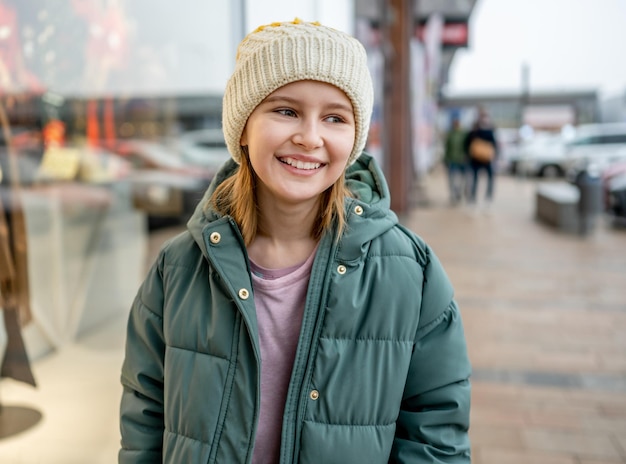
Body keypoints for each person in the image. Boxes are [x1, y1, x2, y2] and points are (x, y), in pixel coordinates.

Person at [119, 18, 471, 463]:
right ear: (243, 128)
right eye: (285, 111)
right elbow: (145, 412)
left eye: (335, 118)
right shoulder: (179, 267)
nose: (309, 137)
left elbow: (436, 431)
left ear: (355, 137)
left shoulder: (410, 271)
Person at [464, 107, 498, 212]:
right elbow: (467, 143)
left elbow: (494, 145)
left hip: (486, 159)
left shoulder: (489, 130)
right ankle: (473, 200)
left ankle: (488, 200)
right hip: (475, 160)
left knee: (490, 179)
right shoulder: (474, 130)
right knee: (474, 180)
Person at [443, 115, 468, 205]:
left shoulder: (464, 134)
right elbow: (447, 147)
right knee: (452, 179)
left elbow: (467, 146)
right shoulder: (450, 134)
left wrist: (466, 156)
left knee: (462, 178)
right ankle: (453, 194)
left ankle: (459, 192)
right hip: (452, 159)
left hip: (462, 159)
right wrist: (445, 159)